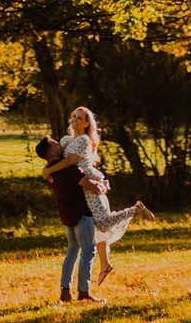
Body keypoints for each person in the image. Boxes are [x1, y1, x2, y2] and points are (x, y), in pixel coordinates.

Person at [41, 106, 154, 287]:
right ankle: (105, 265)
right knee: (93, 230)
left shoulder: (84, 140)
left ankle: (136, 209)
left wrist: (47, 170)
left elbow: (69, 162)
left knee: (103, 223)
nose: (75, 120)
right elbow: (56, 156)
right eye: (73, 116)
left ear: (86, 123)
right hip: (79, 189)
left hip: (88, 188)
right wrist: (49, 169)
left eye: (79, 118)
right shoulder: (65, 139)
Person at [36, 135, 104, 303]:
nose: (59, 144)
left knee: (72, 251)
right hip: (81, 214)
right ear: (51, 152)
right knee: (88, 251)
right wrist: (103, 186)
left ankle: (65, 291)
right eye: (54, 143)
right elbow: (92, 187)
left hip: (66, 216)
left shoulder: (49, 171)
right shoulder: (69, 169)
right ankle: (83, 292)